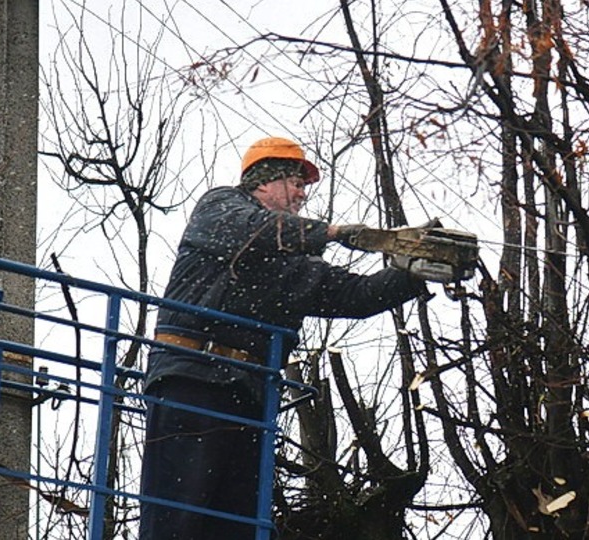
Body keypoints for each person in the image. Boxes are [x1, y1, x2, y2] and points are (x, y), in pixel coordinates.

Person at [138, 136, 431, 539]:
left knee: (237, 524)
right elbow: (256, 230)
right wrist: (334, 232)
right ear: (264, 181)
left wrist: (419, 269)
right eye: (296, 182)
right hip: (192, 380)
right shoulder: (220, 208)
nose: (302, 195)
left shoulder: (292, 266)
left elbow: (357, 295)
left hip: (248, 395)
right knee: (178, 516)